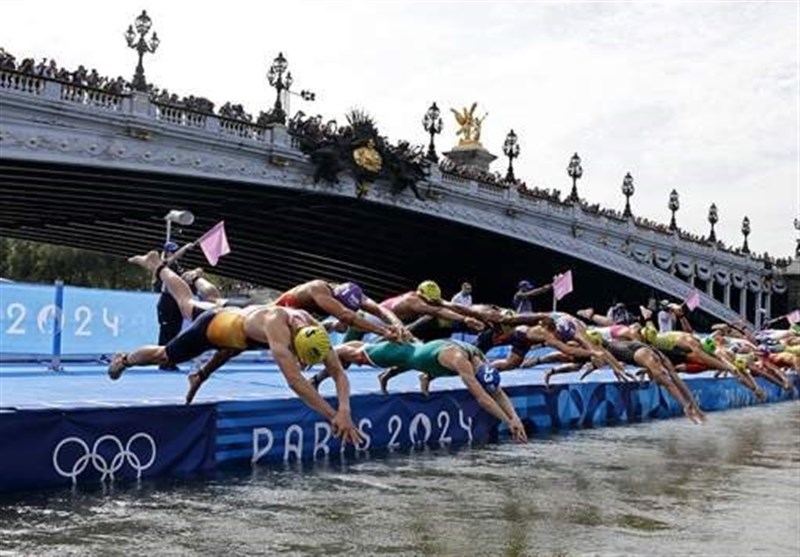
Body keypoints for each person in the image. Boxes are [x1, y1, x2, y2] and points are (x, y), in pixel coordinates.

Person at [109, 250, 362, 444]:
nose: (299, 362)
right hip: (218, 325)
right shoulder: (277, 328)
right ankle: (126, 357)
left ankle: (193, 276)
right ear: (294, 343)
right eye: (298, 357)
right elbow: (296, 382)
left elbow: (338, 372)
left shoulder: (313, 329)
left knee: (214, 301)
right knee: (171, 341)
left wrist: (345, 410)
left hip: (241, 317)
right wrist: (332, 415)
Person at [334, 339, 527, 442]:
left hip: (424, 356)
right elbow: (483, 398)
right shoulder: (462, 361)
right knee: (357, 354)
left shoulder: (482, 360)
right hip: (403, 354)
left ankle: (425, 376)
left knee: (369, 348)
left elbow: (496, 392)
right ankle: (325, 352)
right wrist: (507, 421)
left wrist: (515, 417)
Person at [274, 279, 409, 342]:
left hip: (301, 320)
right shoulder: (318, 288)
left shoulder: (357, 296)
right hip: (274, 317)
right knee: (345, 321)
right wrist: (383, 331)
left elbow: (381, 310)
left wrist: (398, 324)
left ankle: (332, 325)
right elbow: (346, 316)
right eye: (340, 306)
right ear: (335, 298)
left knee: (341, 327)